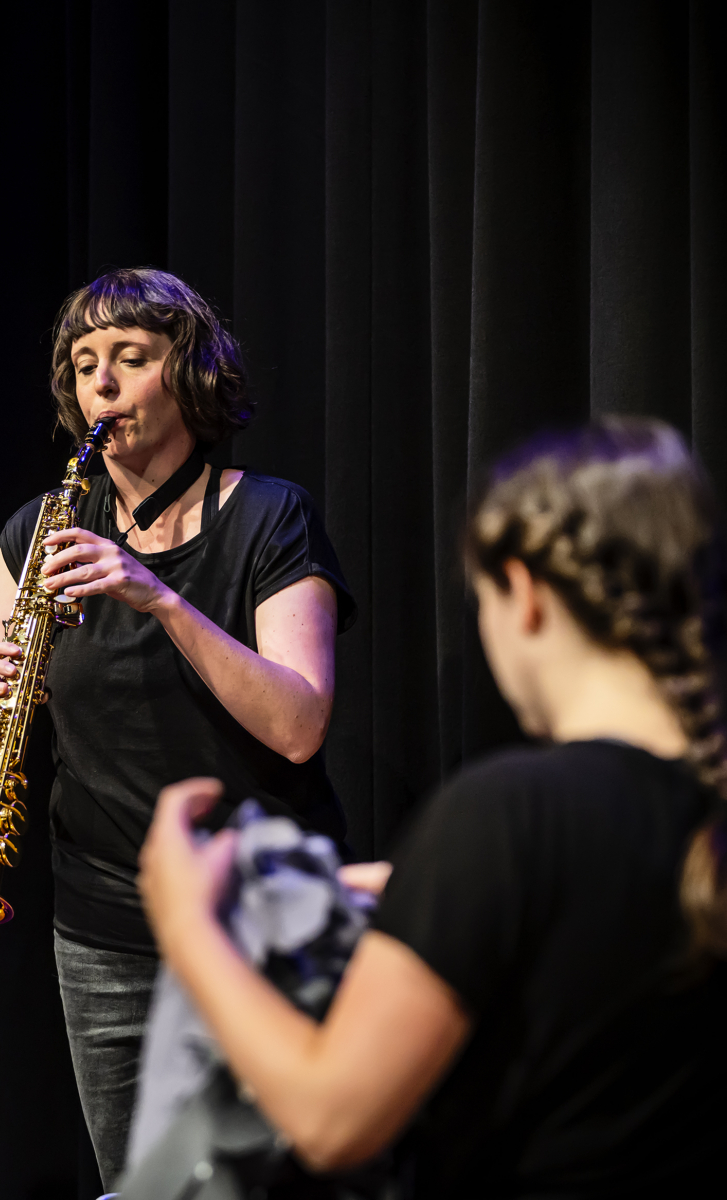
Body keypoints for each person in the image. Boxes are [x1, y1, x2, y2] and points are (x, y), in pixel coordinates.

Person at [139, 418, 727, 1196]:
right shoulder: (693, 811)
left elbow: (330, 1120)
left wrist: (188, 924)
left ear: (523, 594)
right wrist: (435, 893)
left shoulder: (507, 817)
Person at [0, 267, 355, 1181]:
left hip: (259, 916)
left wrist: (160, 597)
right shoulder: (39, 532)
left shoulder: (270, 516)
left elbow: (299, 725)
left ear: (191, 373)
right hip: (104, 934)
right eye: (84, 363)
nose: (102, 382)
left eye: (131, 357)